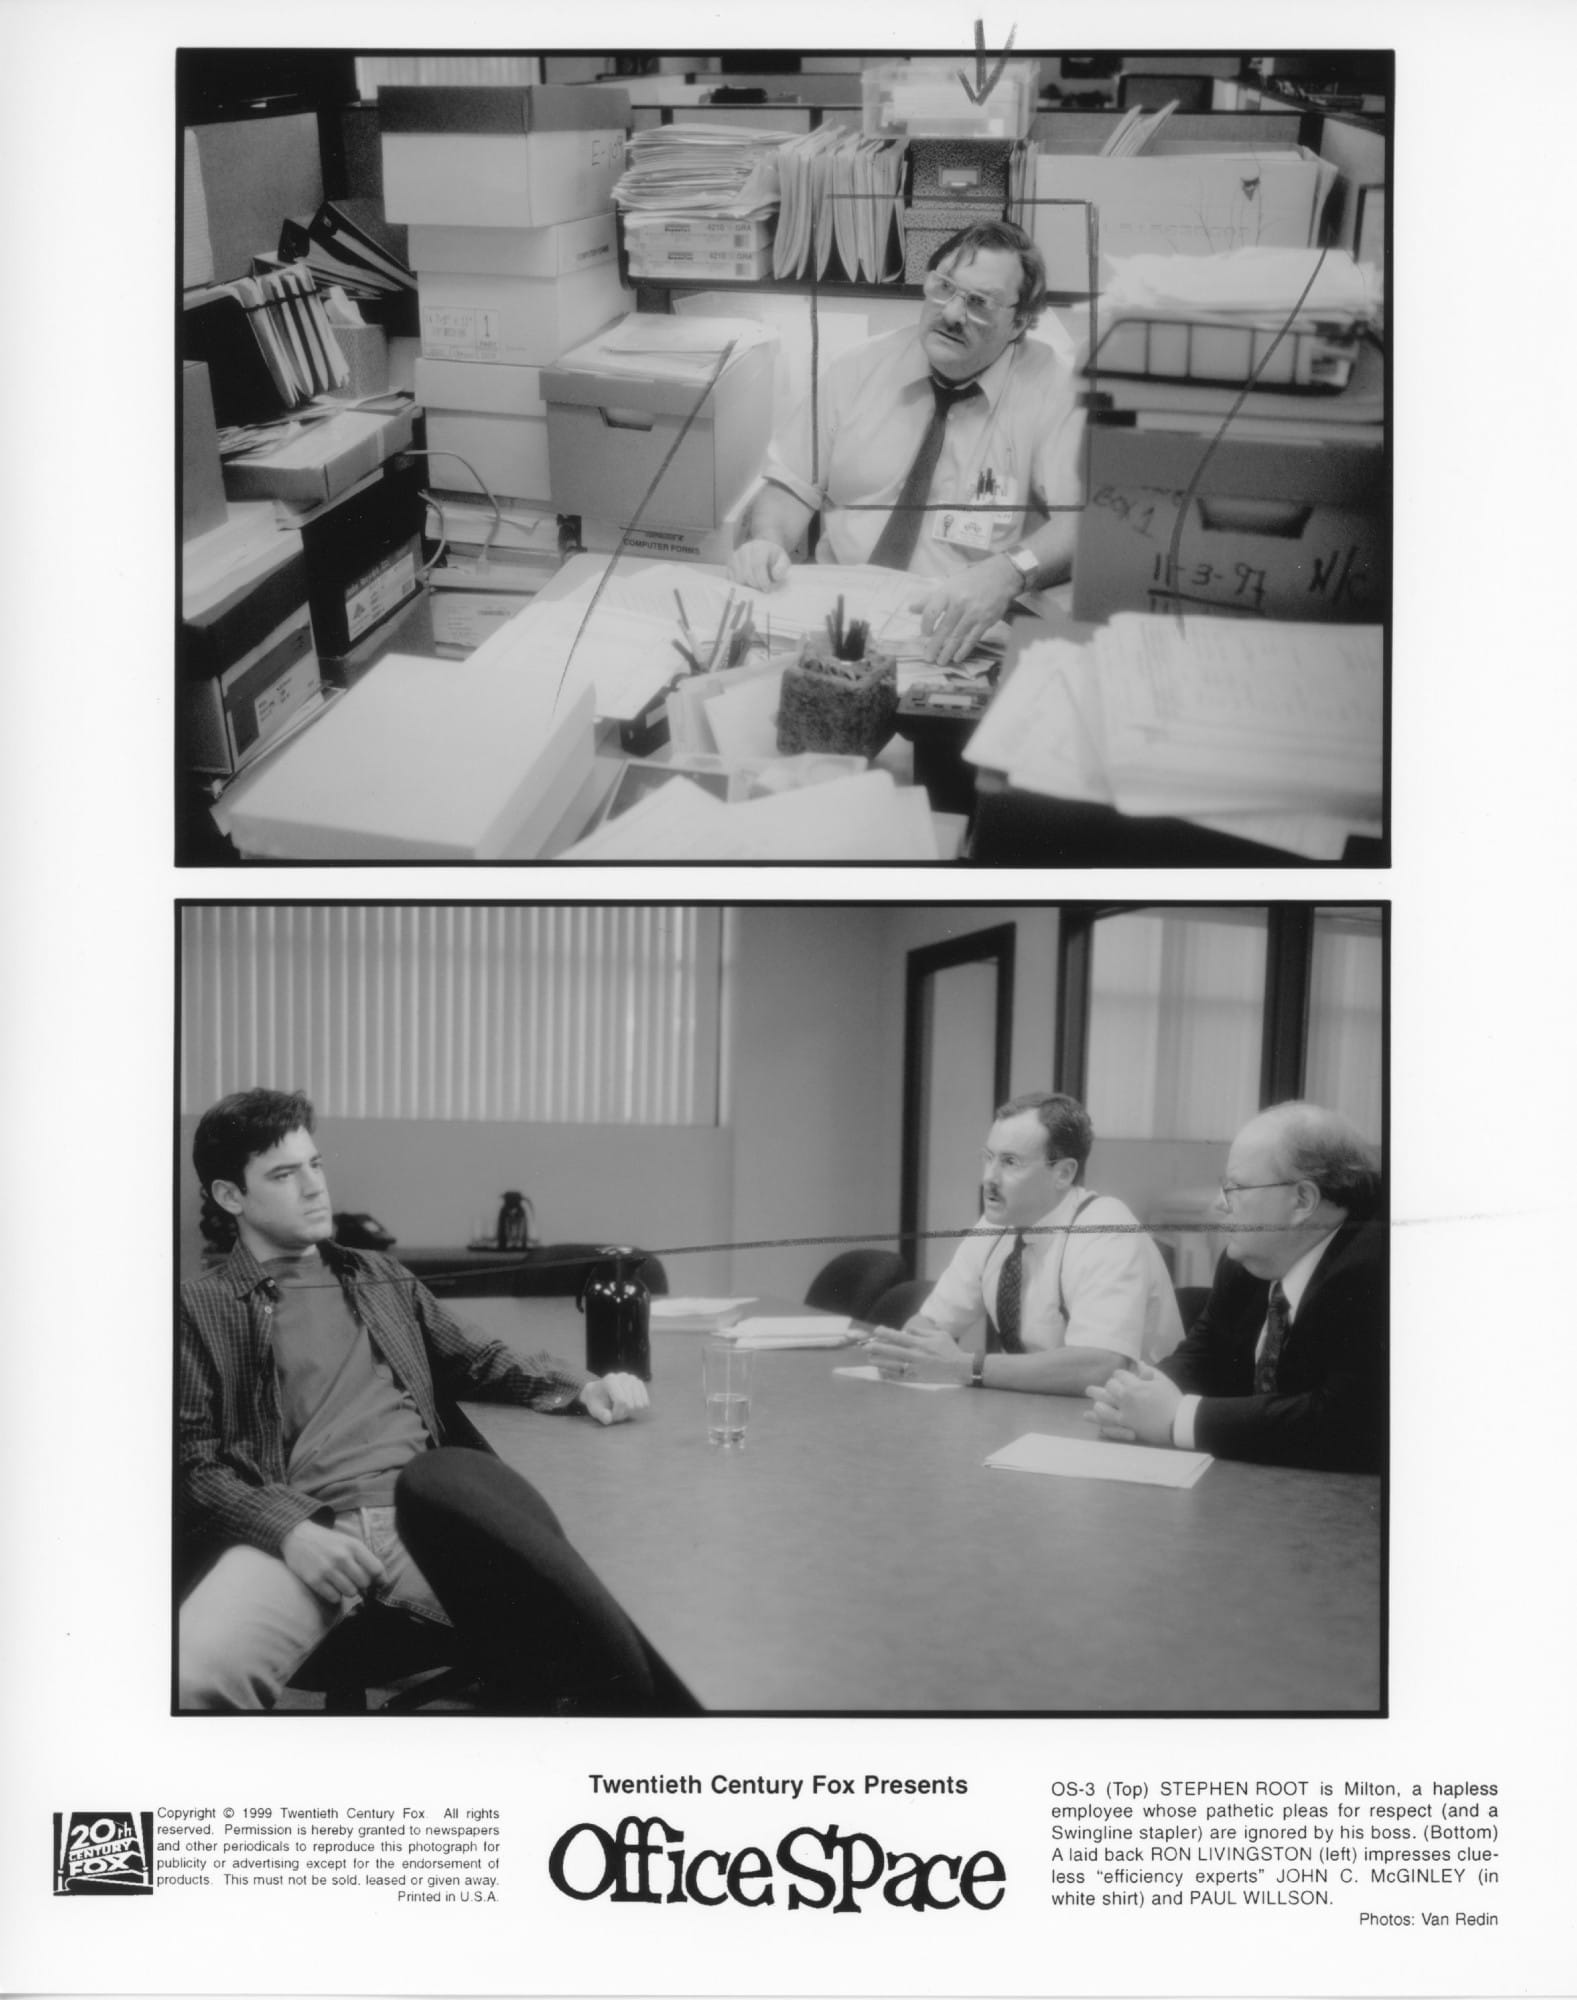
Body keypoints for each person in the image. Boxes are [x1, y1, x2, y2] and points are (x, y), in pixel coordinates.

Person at [178, 1088, 686, 1712]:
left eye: (316, 1165)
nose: (314, 1188)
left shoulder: (378, 1277)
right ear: (231, 1196)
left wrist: (583, 1386)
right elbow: (194, 1467)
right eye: (284, 1175)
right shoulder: (196, 1308)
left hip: (428, 1523)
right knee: (195, 1675)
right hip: (308, 1529)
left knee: (617, 1639)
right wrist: (289, 1532)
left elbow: (483, 1359)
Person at [728, 219, 1083, 667]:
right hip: (839, 627)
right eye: (944, 288)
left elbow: (1086, 522)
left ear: (1020, 324)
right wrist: (766, 542)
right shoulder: (856, 369)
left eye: (980, 303)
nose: (952, 314)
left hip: (961, 639)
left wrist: (1009, 573)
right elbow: (788, 491)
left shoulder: (1054, 389)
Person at [1084, 1102, 1383, 1473]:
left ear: (1303, 1200)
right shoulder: (1247, 1261)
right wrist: (1134, 1395)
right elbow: (1205, 1354)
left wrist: (1178, 1418)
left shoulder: (1376, 1271)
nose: (1219, 1205)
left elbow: (1342, 1421)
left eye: (1235, 1188)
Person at [866, 1091, 1181, 1393]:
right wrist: (911, 1351)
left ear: (1063, 1173)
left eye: (1010, 1162)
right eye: (988, 1158)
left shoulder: (1105, 1228)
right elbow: (932, 1323)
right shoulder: (996, 1227)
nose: (989, 1178)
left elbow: (1100, 1365)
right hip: (1032, 1414)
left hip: (1124, 1425)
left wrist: (965, 1366)